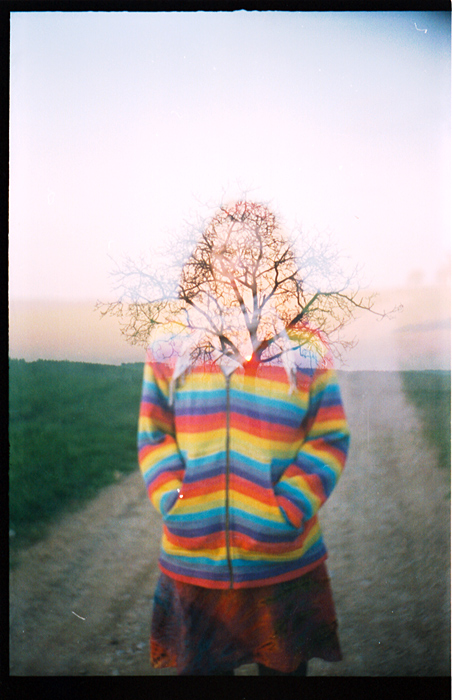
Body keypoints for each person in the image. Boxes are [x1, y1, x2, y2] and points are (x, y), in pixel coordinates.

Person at [137, 201, 350, 675]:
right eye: (225, 252)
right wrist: (176, 501)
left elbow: (329, 436)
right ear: (206, 259)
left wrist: (287, 507)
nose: (239, 265)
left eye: (254, 253)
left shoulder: (305, 346)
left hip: (282, 561)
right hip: (194, 565)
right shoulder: (170, 343)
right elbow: (154, 432)